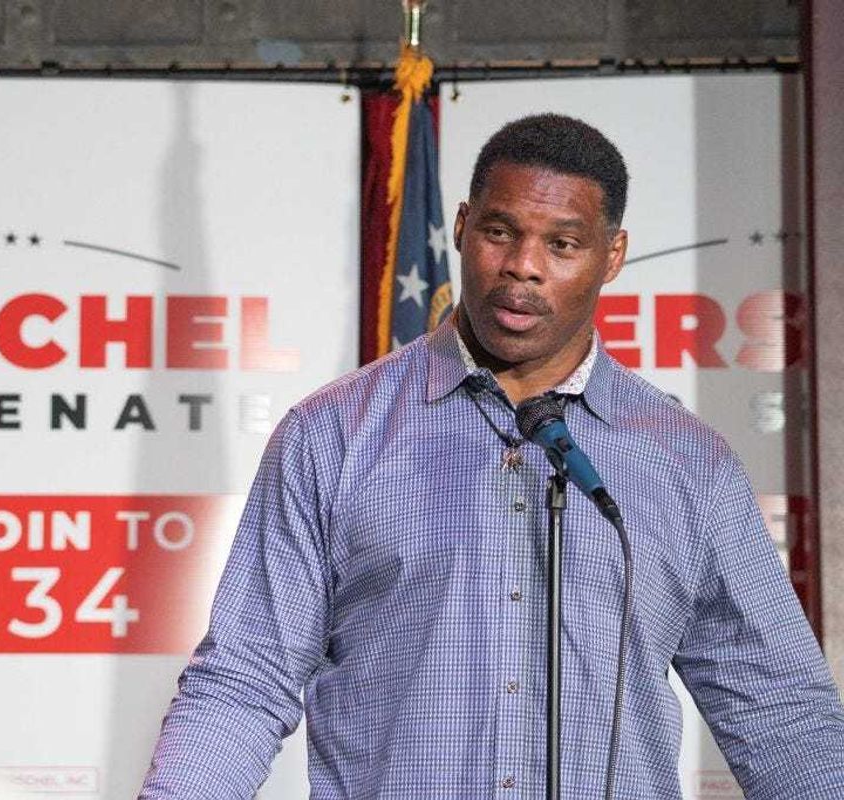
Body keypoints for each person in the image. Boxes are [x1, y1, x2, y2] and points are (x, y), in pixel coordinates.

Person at [138, 114, 844, 798]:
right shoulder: (331, 435)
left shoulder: (687, 462)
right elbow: (244, 678)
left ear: (613, 255)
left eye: (563, 245)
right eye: (501, 233)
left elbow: (777, 708)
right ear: (464, 227)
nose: (523, 268)